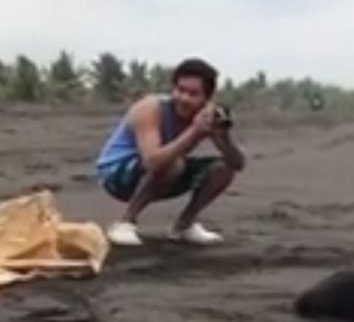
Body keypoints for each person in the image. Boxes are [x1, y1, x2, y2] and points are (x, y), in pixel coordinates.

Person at [94, 57, 246, 246]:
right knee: (173, 164)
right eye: (180, 90)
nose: (184, 98)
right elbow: (153, 161)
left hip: (162, 174)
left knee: (223, 168)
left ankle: (184, 226)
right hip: (117, 174)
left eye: (193, 94)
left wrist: (223, 134)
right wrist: (195, 131)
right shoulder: (150, 108)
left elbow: (238, 164)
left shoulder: (204, 116)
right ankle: (125, 223)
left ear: (206, 98)